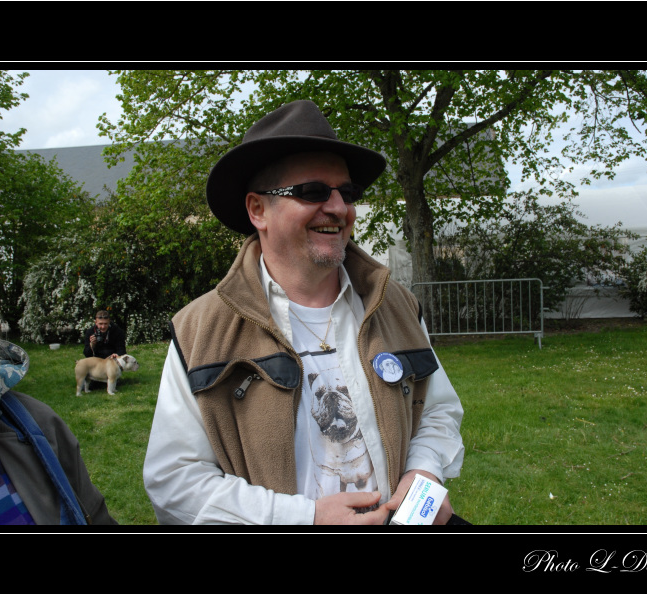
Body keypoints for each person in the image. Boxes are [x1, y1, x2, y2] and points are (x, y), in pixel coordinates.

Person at [143, 100, 465, 525]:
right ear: (258, 210)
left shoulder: (396, 306)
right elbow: (174, 481)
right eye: (313, 192)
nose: (339, 208)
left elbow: (438, 410)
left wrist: (425, 470)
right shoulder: (200, 331)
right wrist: (304, 518)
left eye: (346, 193)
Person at [0, 279, 117, 525]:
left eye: (105, 323)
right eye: (99, 323)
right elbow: (86, 354)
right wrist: (92, 346)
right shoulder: (90, 334)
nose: (102, 326)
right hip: (94, 365)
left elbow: (95, 514)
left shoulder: (41, 424)